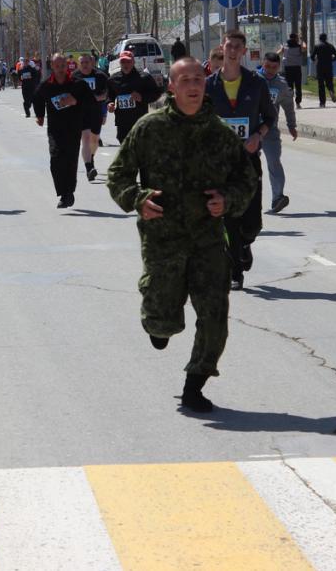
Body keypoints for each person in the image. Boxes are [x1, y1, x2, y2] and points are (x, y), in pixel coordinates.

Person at [106, 56, 258, 413]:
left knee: (215, 314)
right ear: (171, 87)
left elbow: (245, 180)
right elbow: (118, 176)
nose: (193, 86)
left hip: (207, 240)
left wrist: (228, 200)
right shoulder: (148, 128)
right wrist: (137, 200)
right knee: (162, 318)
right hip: (163, 239)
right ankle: (158, 326)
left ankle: (196, 383)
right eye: (185, 80)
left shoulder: (220, 134)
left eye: (198, 80)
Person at [205, 30, 277, 291]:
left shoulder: (256, 83)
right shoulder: (210, 85)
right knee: (229, 220)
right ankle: (235, 271)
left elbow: (270, 118)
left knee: (252, 223)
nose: (233, 50)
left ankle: (246, 243)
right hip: (222, 165)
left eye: (238, 46)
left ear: (244, 51)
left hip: (248, 162)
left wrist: (258, 135)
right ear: (222, 48)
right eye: (229, 46)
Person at [33, 53, 99, 208]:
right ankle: (63, 192)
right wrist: (40, 115)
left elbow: (91, 101)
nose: (60, 69)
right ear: (52, 67)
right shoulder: (47, 85)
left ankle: (68, 195)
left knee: (70, 161)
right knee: (56, 159)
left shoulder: (77, 84)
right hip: (55, 130)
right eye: (57, 66)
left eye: (63, 66)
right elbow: (37, 97)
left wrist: (75, 100)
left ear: (67, 66)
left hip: (73, 128)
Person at [258, 52, 297, 213]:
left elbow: (288, 105)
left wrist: (291, 125)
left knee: (274, 162)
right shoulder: (252, 80)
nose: (270, 70)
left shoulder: (281, 85)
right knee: (248, 165)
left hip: (270, 129)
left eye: (274, 67)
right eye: (267, 66)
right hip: (251, 129)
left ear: (279, 67)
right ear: (262, 63)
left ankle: (278, 197)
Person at [107, 50, 163, 144]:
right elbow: (109, 95)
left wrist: (142, 97)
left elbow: (156, 94)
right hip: (122, 121)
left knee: (139, 148)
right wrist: (109, 103)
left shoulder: (144, 77)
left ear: (133, 62)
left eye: (128, 61)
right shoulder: (113, 79)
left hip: (139, 119)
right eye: (123, 62)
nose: (126, 64)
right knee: (125, 147)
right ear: (119, 63)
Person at [74, 53, 110, 181]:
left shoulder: (100, 76)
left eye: (86, 62)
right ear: (79, 64)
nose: (84, 65)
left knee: (94, 140)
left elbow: (108, 92)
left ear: (92, 63)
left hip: (96, 111)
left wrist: (101, 97)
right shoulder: (74, 77)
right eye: (82, 63)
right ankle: (89, 168)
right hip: (81, 113)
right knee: (86, 138)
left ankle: (91, 157)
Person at [310, 33, 336, 107]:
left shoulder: (317, 46)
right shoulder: (330, 46)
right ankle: (331, 90)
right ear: (326, 38)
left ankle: (322, 103)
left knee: (321, 85)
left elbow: (312, 56)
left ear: (320, 38)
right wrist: (331, 60)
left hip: (320, 66)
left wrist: (315, 60)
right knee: (329, 81)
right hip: (328, 66)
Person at [277, 33, 306, 108]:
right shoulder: (299, 46)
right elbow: (304, 48)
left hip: (288, 68)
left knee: (289, 86)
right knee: (298, 86)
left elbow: (278, 53)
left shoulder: (285, 46)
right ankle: (298, 103)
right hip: (297, 68)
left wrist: (281, 48)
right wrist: (302, 40)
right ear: (296, 38)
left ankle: (290, 102)